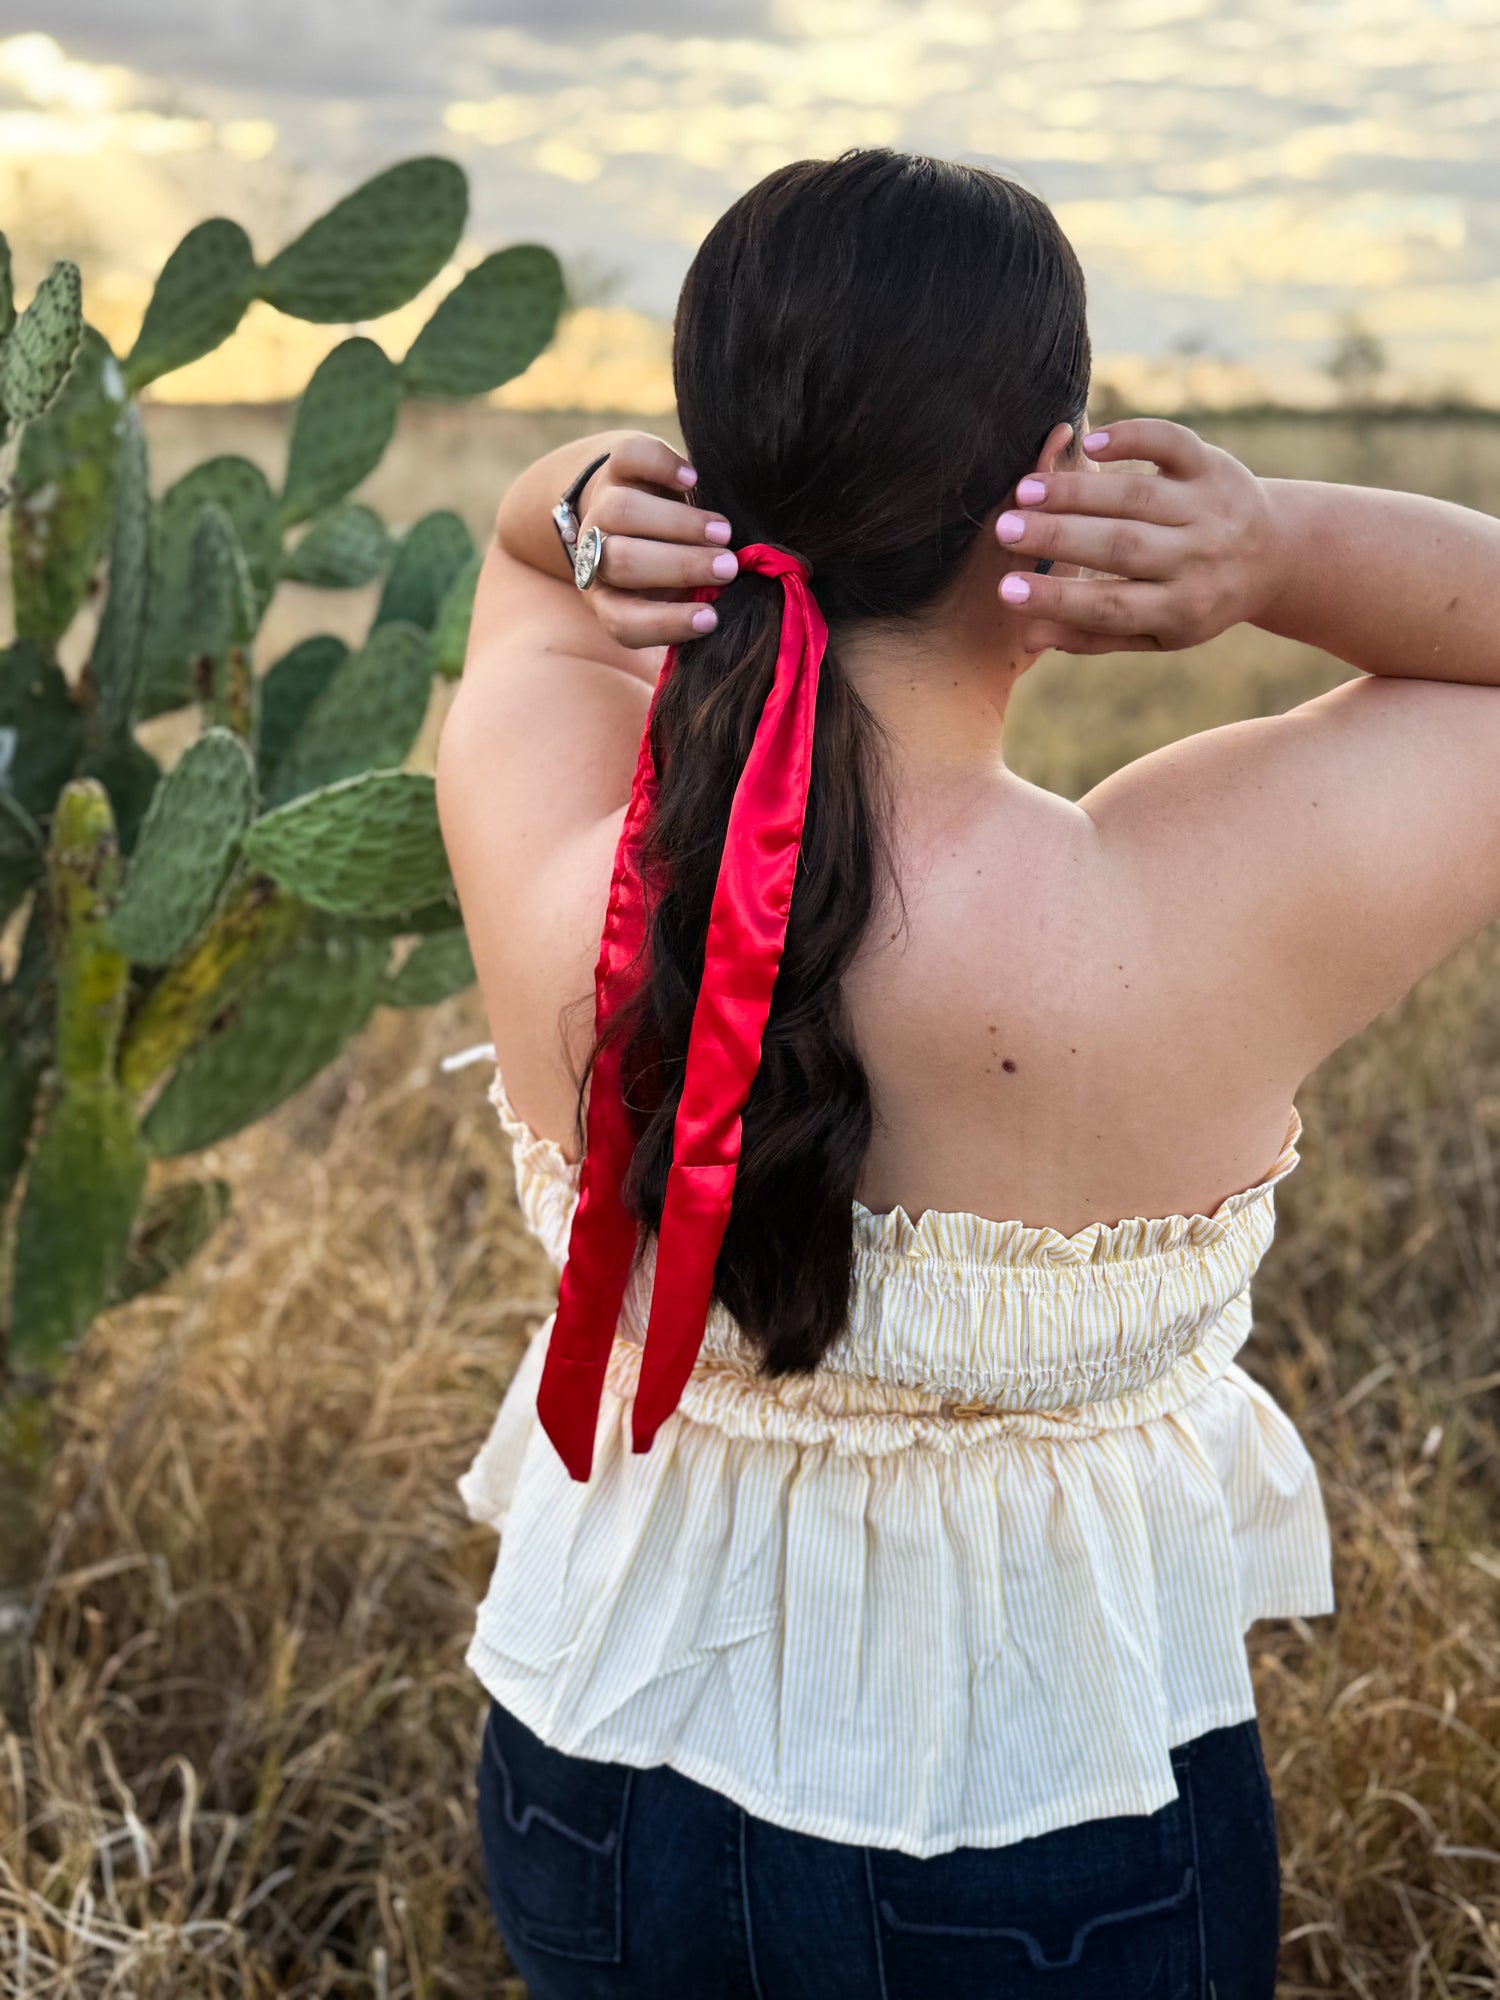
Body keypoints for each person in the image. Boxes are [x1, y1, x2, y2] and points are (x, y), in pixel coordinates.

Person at [436, 150, 1500, 1999]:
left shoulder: (573, 866)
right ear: (1059, 488)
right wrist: (1274, 551)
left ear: (694, 475)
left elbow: (528, 568)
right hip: (1040, 1838)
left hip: (588, 1794)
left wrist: (584, 504)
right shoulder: (1177, 912)